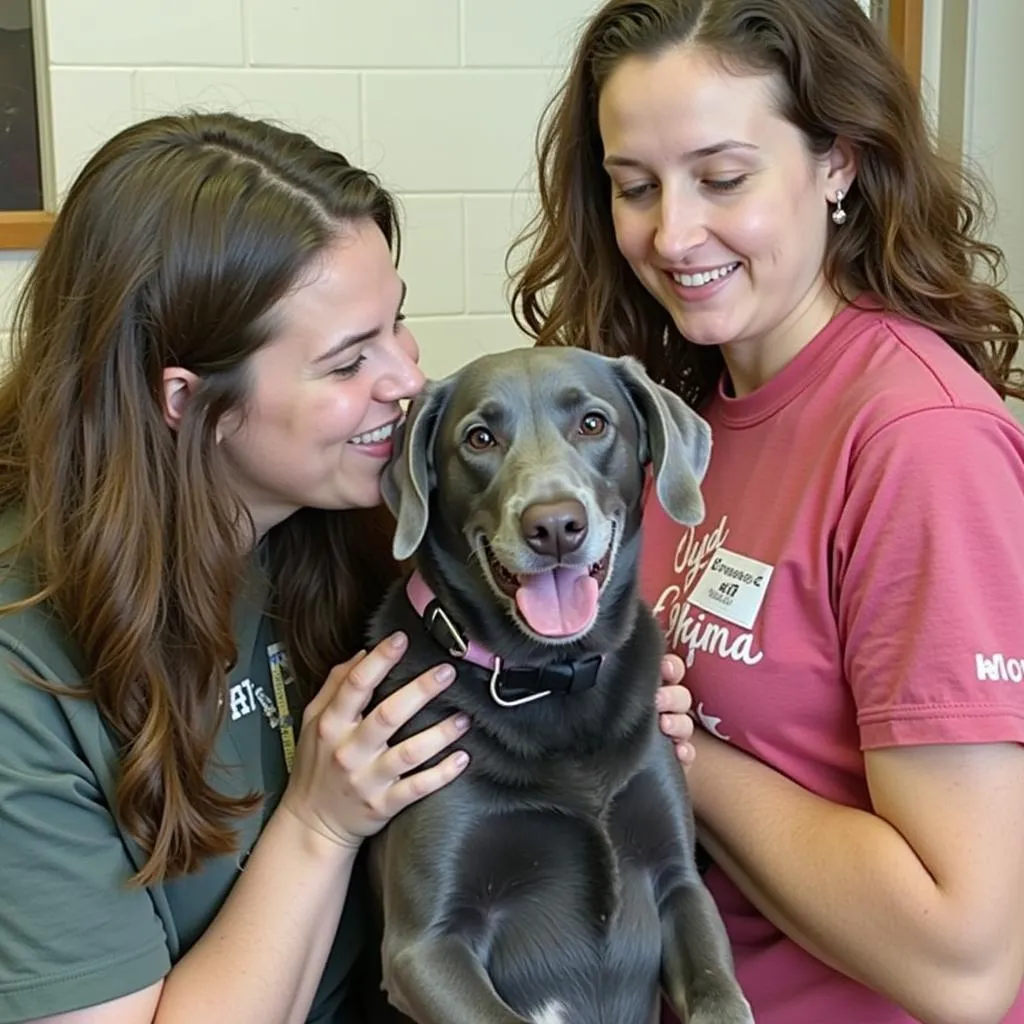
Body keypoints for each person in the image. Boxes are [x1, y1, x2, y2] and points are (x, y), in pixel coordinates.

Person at [0, 111, 697, 1024]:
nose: (404, 380)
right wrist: (319, 823)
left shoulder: (346, 526)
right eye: (345, 361)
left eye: (395, 323)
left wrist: (600, 702)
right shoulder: (27, 674)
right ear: (192, 402)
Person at [510, 1, 1024, 1022]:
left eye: (722, 178)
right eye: (633, 187)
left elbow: (963, 961)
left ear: (837, 163)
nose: (672, 232)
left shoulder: (915, 440)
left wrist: (666, 747)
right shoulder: (685, 411)